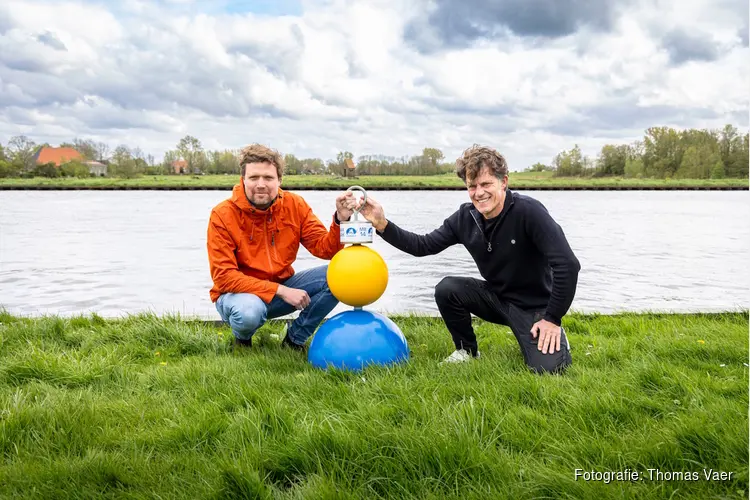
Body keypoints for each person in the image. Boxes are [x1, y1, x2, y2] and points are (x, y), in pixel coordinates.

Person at [350, 145, 580, 373]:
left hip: (535, 307)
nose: (479, 192)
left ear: (504, 182)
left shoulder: (529, 212)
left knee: (549, 370)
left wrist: (552, 317)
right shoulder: (465, 218)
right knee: (448, 288)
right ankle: (467, 351)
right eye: (472, 186)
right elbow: (422, 245)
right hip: (497, 299)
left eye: (486, 184)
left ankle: (557, 336)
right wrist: (381, 223)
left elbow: (567, 265)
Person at [207, 144, 355, 351]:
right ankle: (242, 340)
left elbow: (325, 249)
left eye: (268, 178)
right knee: (249, 311)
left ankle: (294, 341)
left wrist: (341, 219)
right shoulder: (222, 214)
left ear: (279, 180)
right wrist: (281, 290)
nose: (261, 184)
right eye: (253, 177)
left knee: (342, 275)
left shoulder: (295, 205)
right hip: (237, 296)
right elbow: (224, 277)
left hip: (281, 288)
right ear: (243, 179)